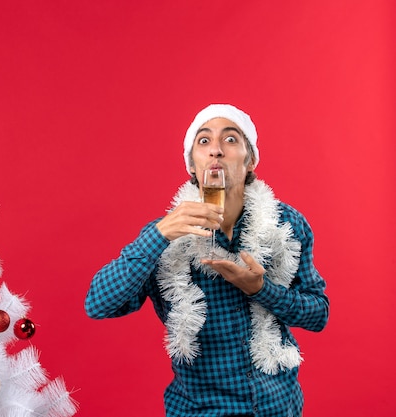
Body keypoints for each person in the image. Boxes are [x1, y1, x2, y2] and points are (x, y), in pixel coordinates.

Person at [84, 104, 329, 417]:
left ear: (250, 160)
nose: (215, 150)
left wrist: (260, 289)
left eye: (230, 140)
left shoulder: (287, 225)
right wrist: (158, 235)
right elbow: (98, 304)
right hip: (200, 410)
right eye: (203, 141)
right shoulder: (164, 236)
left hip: (278, 406)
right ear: (192, 166)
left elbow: (318, 315)